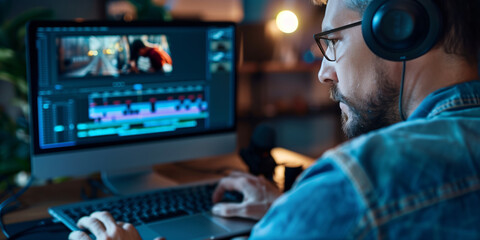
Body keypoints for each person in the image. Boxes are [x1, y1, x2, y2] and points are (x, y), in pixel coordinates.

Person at [69, 0, 480, 239]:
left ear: (399, 29)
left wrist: (317, 207)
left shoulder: (356, 184)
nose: (323, 72)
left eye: (332, 41)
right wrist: (293, 212)